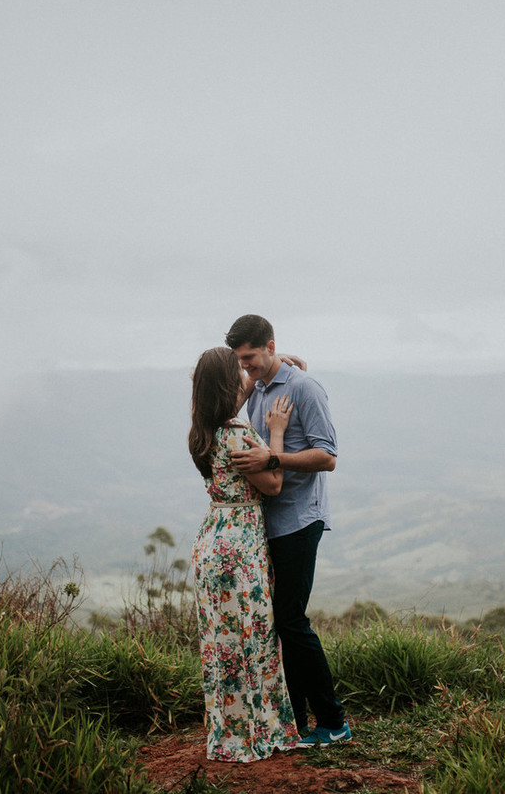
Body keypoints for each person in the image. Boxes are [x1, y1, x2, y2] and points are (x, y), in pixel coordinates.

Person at [224, 314, 350, 747]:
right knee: (279, 623)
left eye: (251, 359)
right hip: (268, 524)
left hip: (300, 519)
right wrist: (256, 376)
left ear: (270, 345)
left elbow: (328, 456)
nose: (247, 368)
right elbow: (227, 409)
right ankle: (296, 719)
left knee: (292, 622)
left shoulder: (304, 389)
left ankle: (333, 721)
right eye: (241, 362)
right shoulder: (257, 387)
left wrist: (274, 460)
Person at [188, 346, 301, 762]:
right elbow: (272, 484)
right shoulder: (237, 434)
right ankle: (256, 734)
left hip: (213, 538)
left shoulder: (205, 428)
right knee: (253, 637)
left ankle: (229, 734)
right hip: (239, 545)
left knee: (223, 643)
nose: (245, 373)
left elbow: (234, 396)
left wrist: (277, 365)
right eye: (238, 369)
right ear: (226, 383)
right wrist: (275, 432)